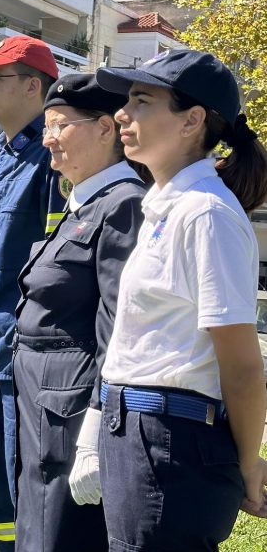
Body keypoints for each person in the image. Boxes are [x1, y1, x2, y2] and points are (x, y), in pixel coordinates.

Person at [94, 50, 267, 550]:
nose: (122, 114)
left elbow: (242, 365)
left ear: (193, 121)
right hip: (140, 432)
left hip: (170, 442)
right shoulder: (169, 207)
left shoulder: (205, 214)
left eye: (142, 100)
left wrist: (248, 462)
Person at [12, 74, 145, 552]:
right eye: (46, 126)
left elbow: (119, 326)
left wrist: (95, 421)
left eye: (59, 126)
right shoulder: (83, 202)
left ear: (106, 129)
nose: (47, 138)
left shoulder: (123, 204)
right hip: (41, 396)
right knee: (36, 525)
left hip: (71, 405)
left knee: (60, 535)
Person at [0, 35, 65, 551]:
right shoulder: (2, 154)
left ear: (32, 86)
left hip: (23, 357)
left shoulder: (51, 158)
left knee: (27, 483)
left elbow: (55, 267)